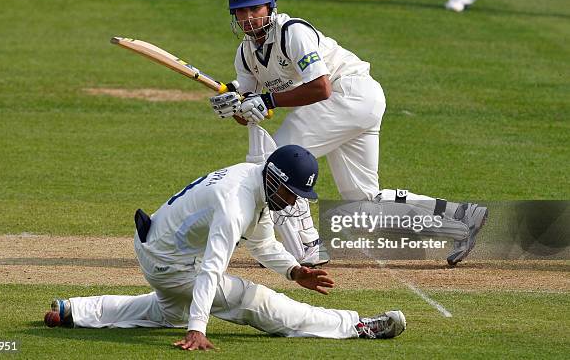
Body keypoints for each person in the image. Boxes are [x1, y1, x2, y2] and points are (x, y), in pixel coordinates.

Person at [209, 0, 488, 266]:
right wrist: (235, 107)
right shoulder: (245, 54)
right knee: (362, 199)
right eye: (241, 12)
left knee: (276, 162)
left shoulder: (292, 33)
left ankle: (308, 246)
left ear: (271, 7)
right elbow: (251, 110)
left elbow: (321, 87)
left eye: (256, 9)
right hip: (352, 105)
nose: (249, 18)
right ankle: (462, 217)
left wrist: (268, 100)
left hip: (349, 93)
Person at [43, 145, 406, 350]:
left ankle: (75, 310)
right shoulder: (235, 203)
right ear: (275, 179)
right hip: (171, 262)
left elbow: (263, 243)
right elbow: (212, 268)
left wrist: (294, 271)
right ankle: (356, 326)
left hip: (156, 249)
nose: (295, 202)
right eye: (292, 193)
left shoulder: (255, 182)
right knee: (255, 301)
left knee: (167, 312)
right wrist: (198, 328)